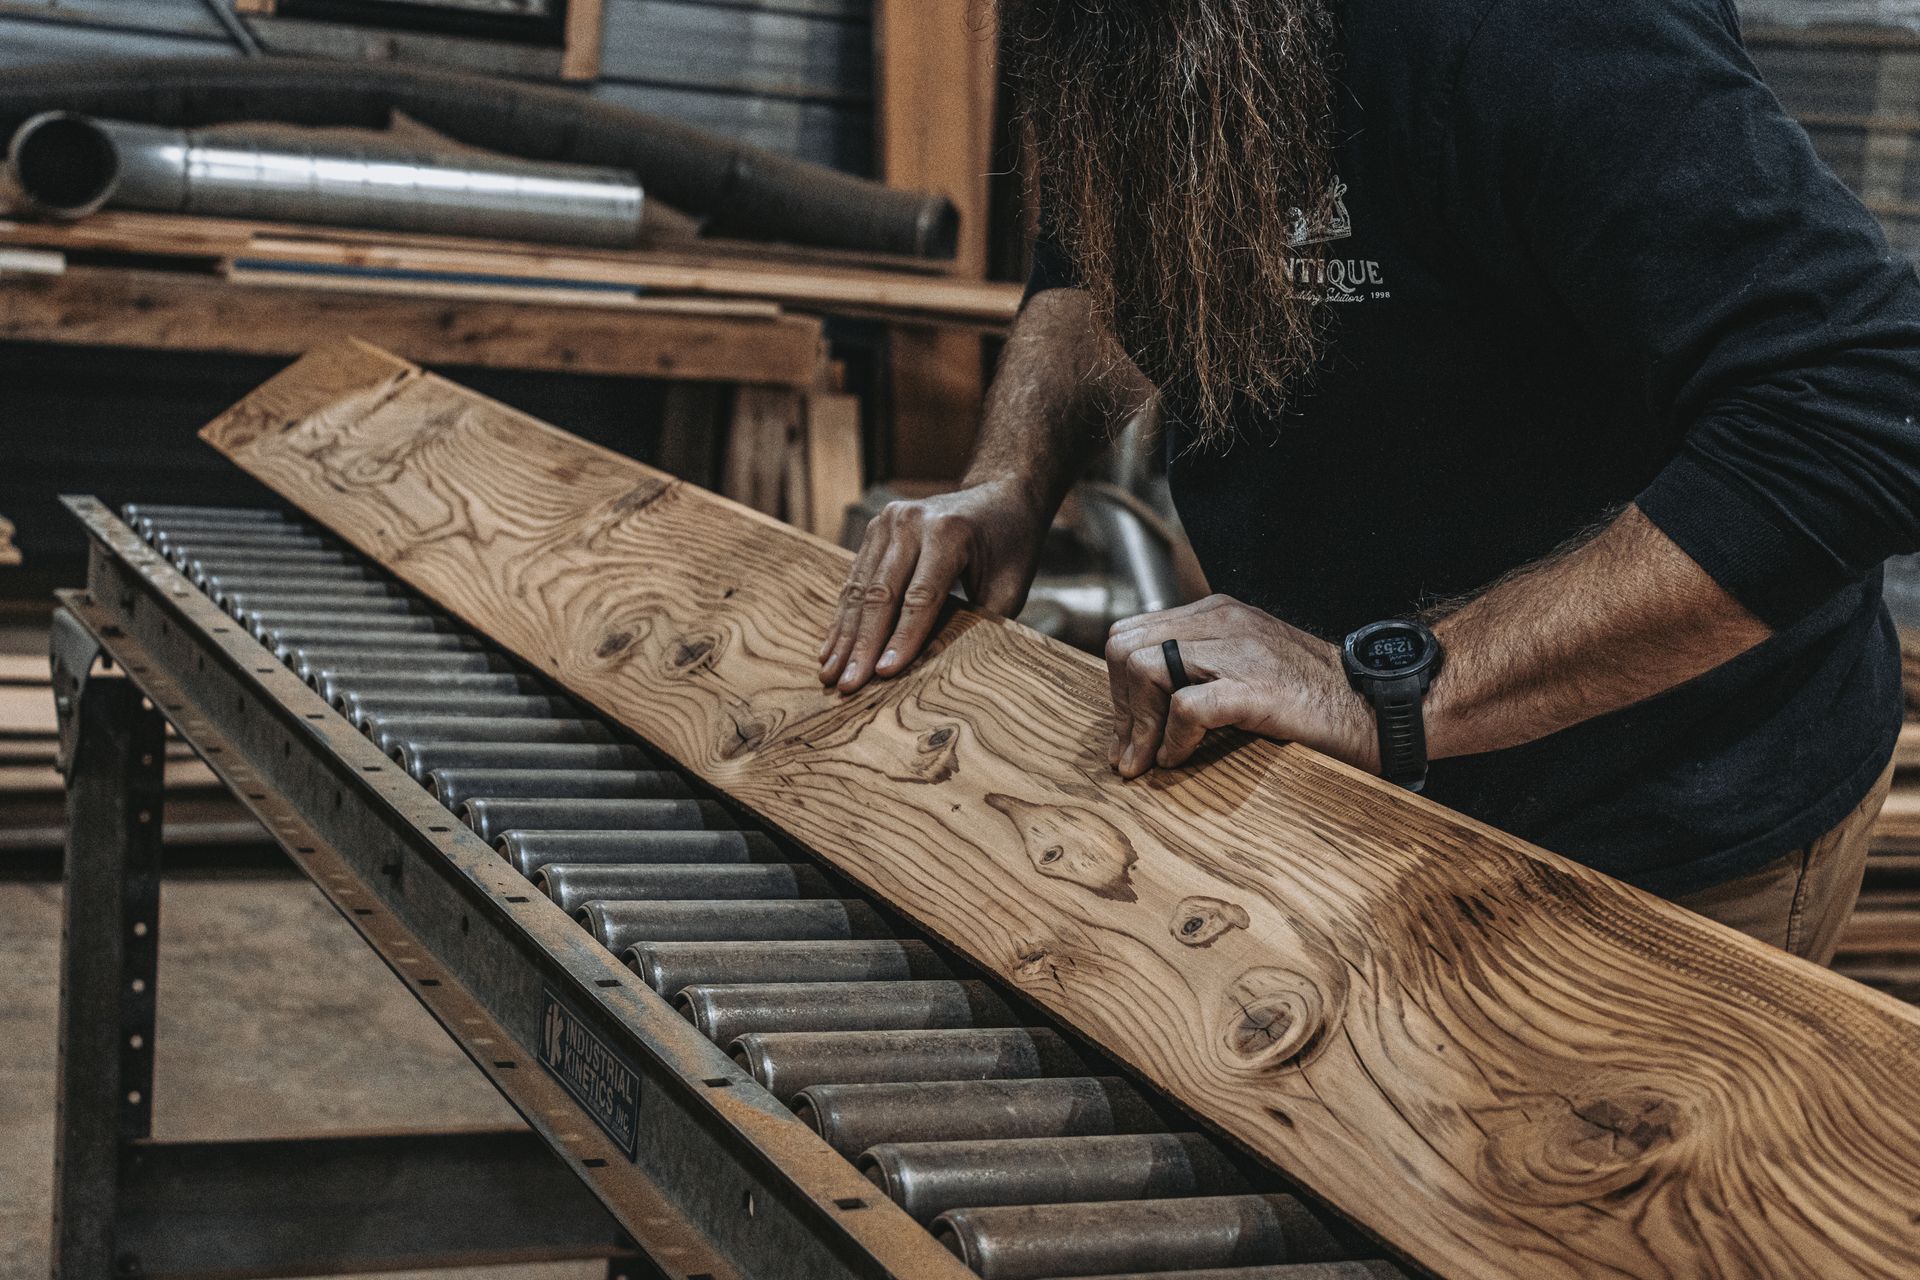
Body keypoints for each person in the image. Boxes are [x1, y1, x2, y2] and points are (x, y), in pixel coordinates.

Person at [818, 0, 1920, 964]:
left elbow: (1864, 407)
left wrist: (1393, 688)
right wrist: (1010, 477)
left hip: (1658, 804)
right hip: (1368, 771)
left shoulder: (1539, 25)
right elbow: (1098, 245)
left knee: (1574, 1192)